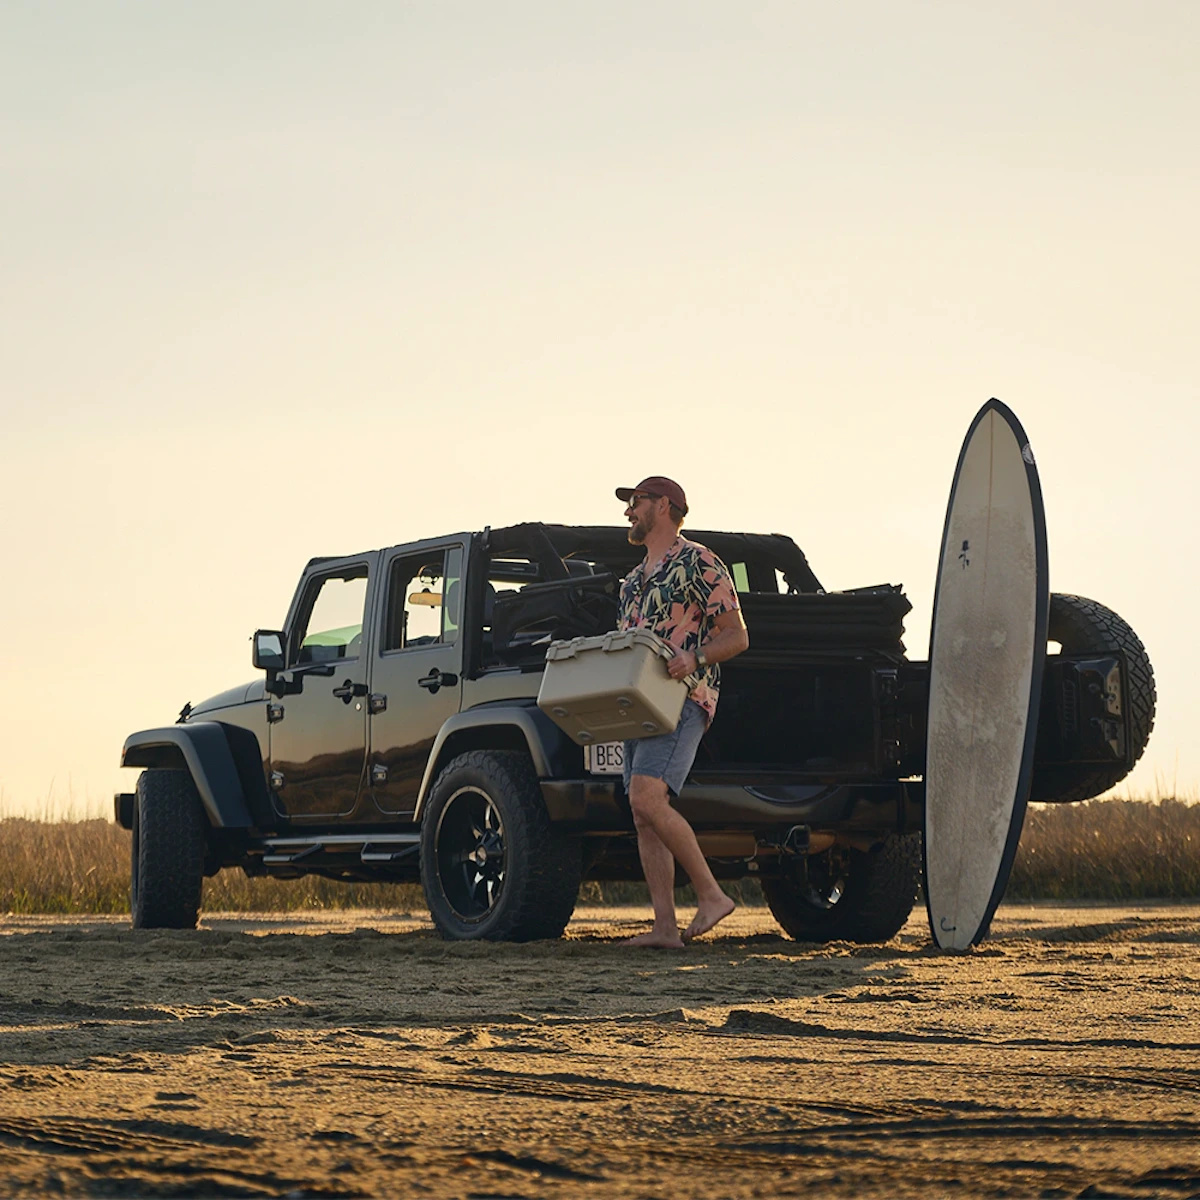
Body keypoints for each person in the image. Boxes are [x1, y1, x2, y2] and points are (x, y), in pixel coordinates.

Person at [614, 476, 750, 948]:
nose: (629, 512)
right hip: (637, 705)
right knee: (641, 811)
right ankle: (665, 928)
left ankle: (712, 895)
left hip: (683, 698)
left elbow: (736, 635)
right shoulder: (632, 583)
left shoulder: (699, 562)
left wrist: (696, 658)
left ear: (665, 506)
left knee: (648, 799)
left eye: (636, 503)